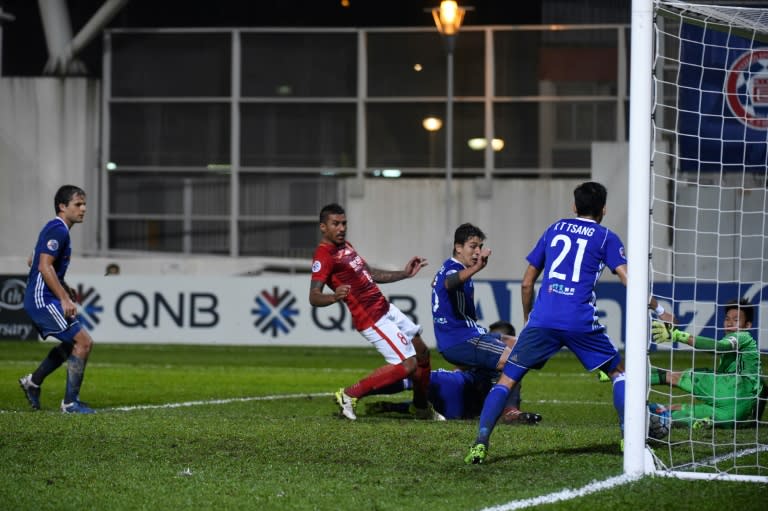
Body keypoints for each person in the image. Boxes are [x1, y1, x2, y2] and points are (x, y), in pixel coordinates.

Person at [465, 181, 628, 464]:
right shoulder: (606, 238)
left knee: (507, 379)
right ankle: (628, 438)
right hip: (579, 319)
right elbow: (627, 278)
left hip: (543, 320)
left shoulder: (554, 229)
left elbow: (527, 283)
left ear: (574, 207)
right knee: (619, 373)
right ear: (603, 209)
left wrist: (529, 319)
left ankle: (480, 442)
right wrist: (653, 306)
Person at [309, 203, 442, 421]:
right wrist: (334, 296)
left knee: (422, 353)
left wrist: (404, 273)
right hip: (371, 318)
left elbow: (369, 273)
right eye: (336, 224)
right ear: (323, 227)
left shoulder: (346, 247)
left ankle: (420, 407)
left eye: (344, 223)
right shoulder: (323, 256)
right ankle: (350, 394)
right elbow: (313, 296)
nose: (342, 228)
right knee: (407, 365)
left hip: (385, 308)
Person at [431, 223, 541, 425]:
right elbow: (448, 283)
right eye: (472, 246)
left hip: (466, 335)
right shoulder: (454, 269)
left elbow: (439, 284)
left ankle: (482, 405)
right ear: (458, 247)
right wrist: (476, 267)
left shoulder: (451, 269)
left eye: (480, 247)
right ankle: (509, 411)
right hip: (461, 339)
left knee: (515, 344)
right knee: (513, 361)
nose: (477, 252)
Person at [364, 321, 541, 424]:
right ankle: (399, 406)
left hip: (459, 387)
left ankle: (358, 392)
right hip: (464, 411)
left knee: (417, 377)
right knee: (433, 394)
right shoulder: (510, 370)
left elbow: (459, 368)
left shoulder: (500, 347)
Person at [18, 185, 95, 414]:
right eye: (78, 205)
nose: (83, 209)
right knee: (84, 342)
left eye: (84, 204)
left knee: (73, 343)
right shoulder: (58, 229)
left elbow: (32, 260)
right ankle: (70, 404)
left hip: (43, 296)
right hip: (42, 299)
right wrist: (63, 298)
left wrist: (63, 285)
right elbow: (43, 265)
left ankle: (33, 382)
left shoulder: (56, 229)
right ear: (62, 207)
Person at [650, 299, 763, 427]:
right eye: (727, 319)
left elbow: (719, 347)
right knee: (676, 413)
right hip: (735, 414)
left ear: (747, 326)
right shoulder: (752, 360)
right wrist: (754, 419)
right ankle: (651, 413)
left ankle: (633, 380)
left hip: (733, 390)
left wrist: (677, 335)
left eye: (736, 320)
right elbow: (763, 388)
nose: (729, 323)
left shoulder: (744, 337)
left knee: (674, 377)